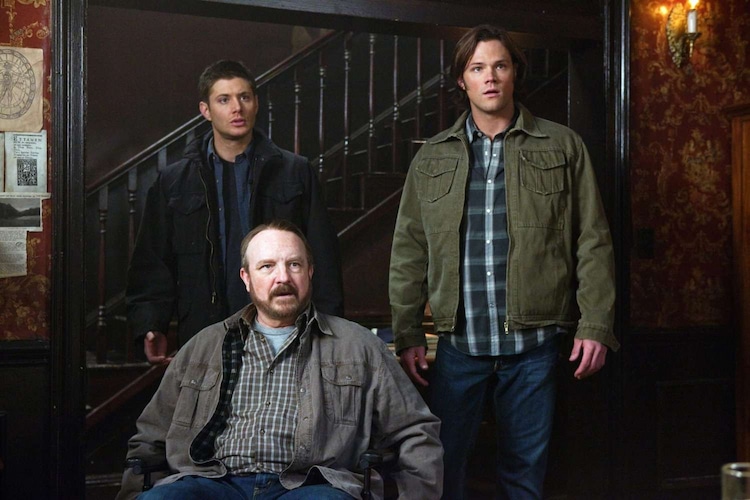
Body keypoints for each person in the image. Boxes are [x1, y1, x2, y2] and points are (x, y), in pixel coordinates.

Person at [389, 25, 620, 499]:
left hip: (534, 345)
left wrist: (596, 324)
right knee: (442, 468)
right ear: (463, 80)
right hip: (459, 345)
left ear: (515, 72)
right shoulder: (431, 158)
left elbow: (593, 241)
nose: (490, 77)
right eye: (477, 68)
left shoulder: (562, 146)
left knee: (524, 474)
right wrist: (407, 331)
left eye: (500, 65)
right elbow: (409, 250)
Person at [117, 220, 443, 500]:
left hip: (311, 486)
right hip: (212, 482)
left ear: (310, 272)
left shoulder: (359, 346)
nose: (283, 277)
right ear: (246, 277)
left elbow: (415, 430)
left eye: (294, 265)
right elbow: (149, 437)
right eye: (267, 266)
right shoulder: (203, 346)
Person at [127, 60, 344, 365]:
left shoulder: (294, 172)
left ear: (256, 103)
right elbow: (153, 261)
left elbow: (322, 255)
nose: (236, 108)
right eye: (224, 99)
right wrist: (151, 324)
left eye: (244, 97)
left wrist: (330, 329)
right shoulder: (175, 181)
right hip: (205, 329)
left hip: (283, 327)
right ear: (206, 110)